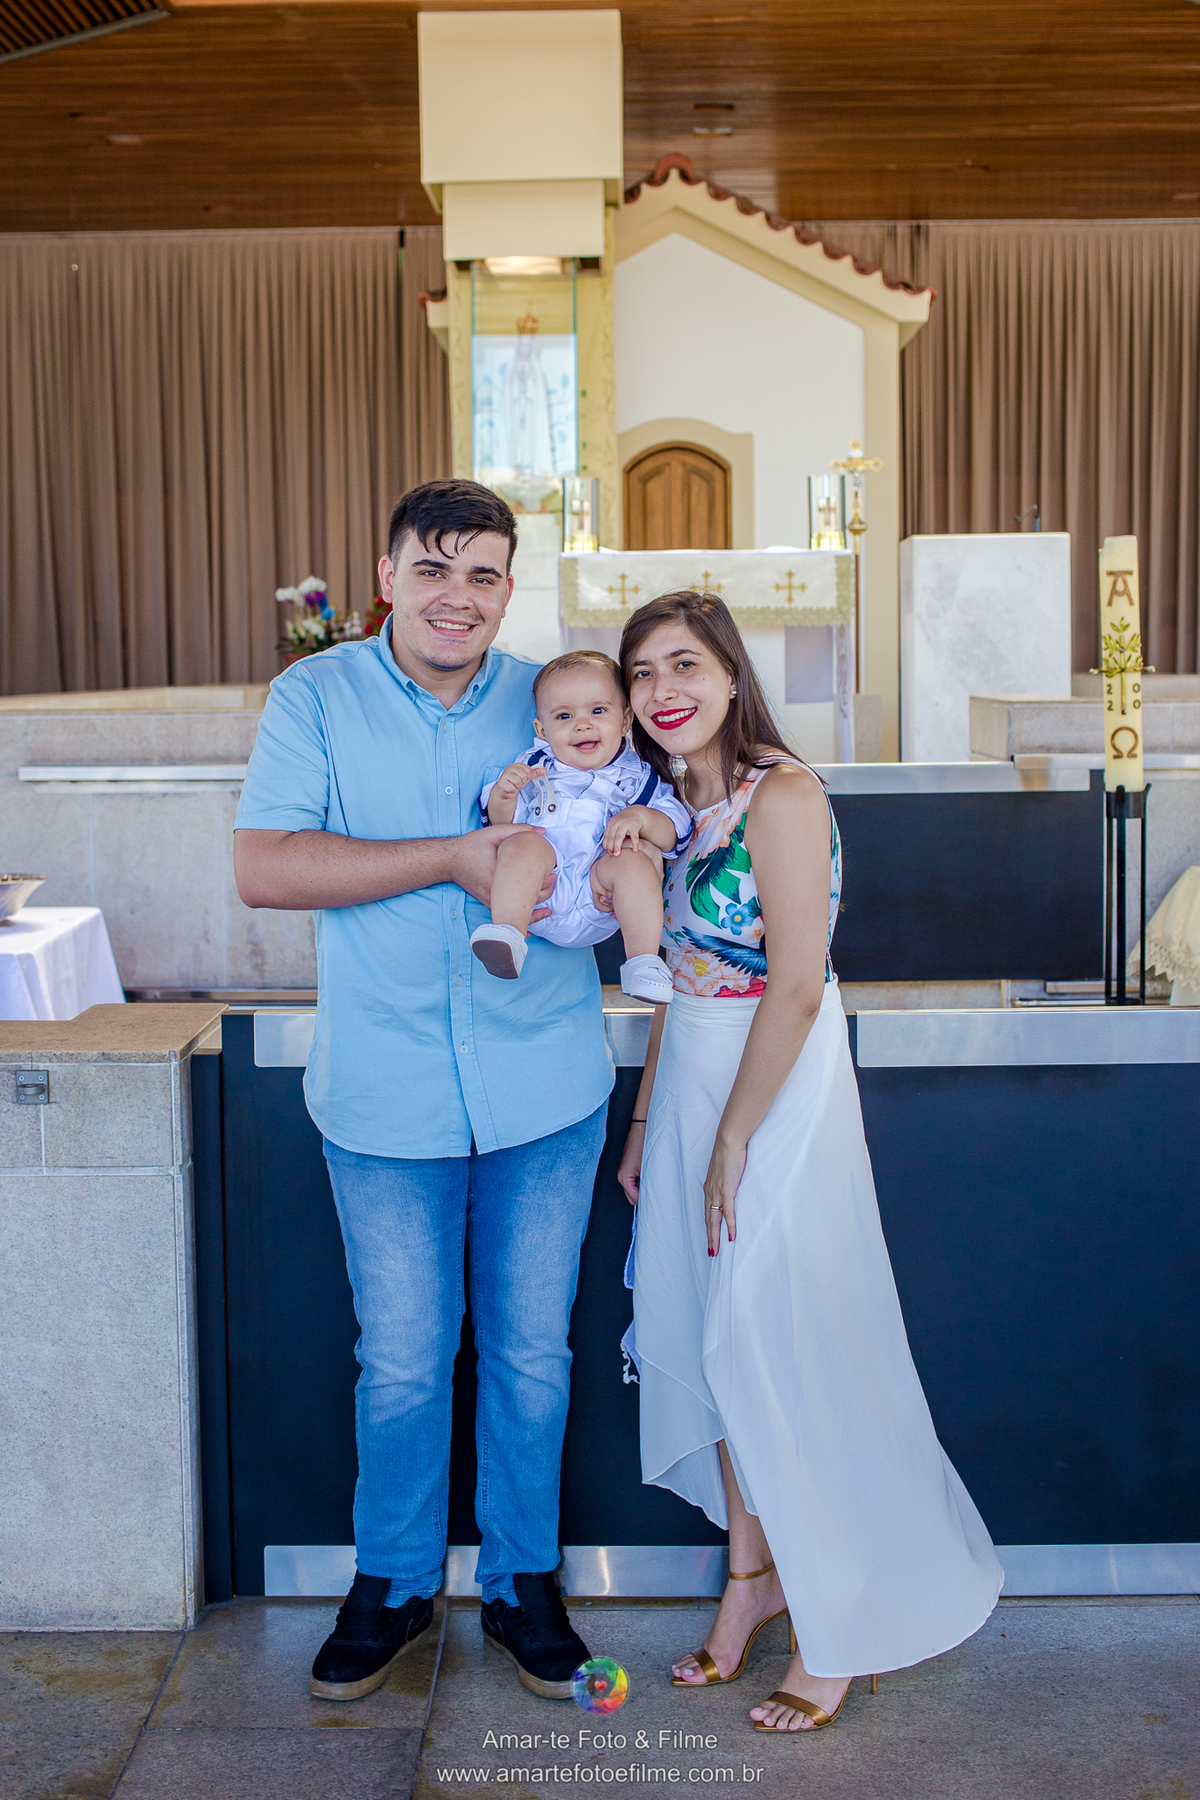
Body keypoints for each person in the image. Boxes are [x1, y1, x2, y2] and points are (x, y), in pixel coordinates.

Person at [233, 479, 612, 1704]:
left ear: (512, 587)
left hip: (542, 1081)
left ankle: (523, 1584)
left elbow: (657, 788)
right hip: (386, 1087)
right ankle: (393, 1584)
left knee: (531, 1356)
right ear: (387, 576)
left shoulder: (551, 697)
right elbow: (268, 867)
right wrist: (453, 857)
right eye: (437, 569)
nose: (462, 597)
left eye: (487, 574)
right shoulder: (317, 695)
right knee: (400, 1359)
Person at [616, 591, 1002, 1735]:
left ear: (733, 676)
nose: (658, 691)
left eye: (682, 665)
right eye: (640, 674)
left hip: (777, 1093)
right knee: (714, 1346)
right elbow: (676, 989)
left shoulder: (783, 794)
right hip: (692, 1083)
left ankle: (841, 1622)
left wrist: (735, 1135)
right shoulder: (672, 804)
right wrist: (650, 1125)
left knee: (786, 1345)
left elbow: (793, 982)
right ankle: (754, 1580)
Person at [472, 649, 690, 1003]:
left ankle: (642, 962)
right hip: (541, 897)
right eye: (564, 715)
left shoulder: (637, 778)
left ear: (624, 720)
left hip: (600, 898)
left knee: (632, 861)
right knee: (521, 843)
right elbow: (499, 825)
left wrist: (640, 817)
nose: (582, 724)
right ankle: (508, 932)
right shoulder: (534, 768)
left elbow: (675, 832)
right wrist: (504, 793)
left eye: (598, 711)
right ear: (542, 730)